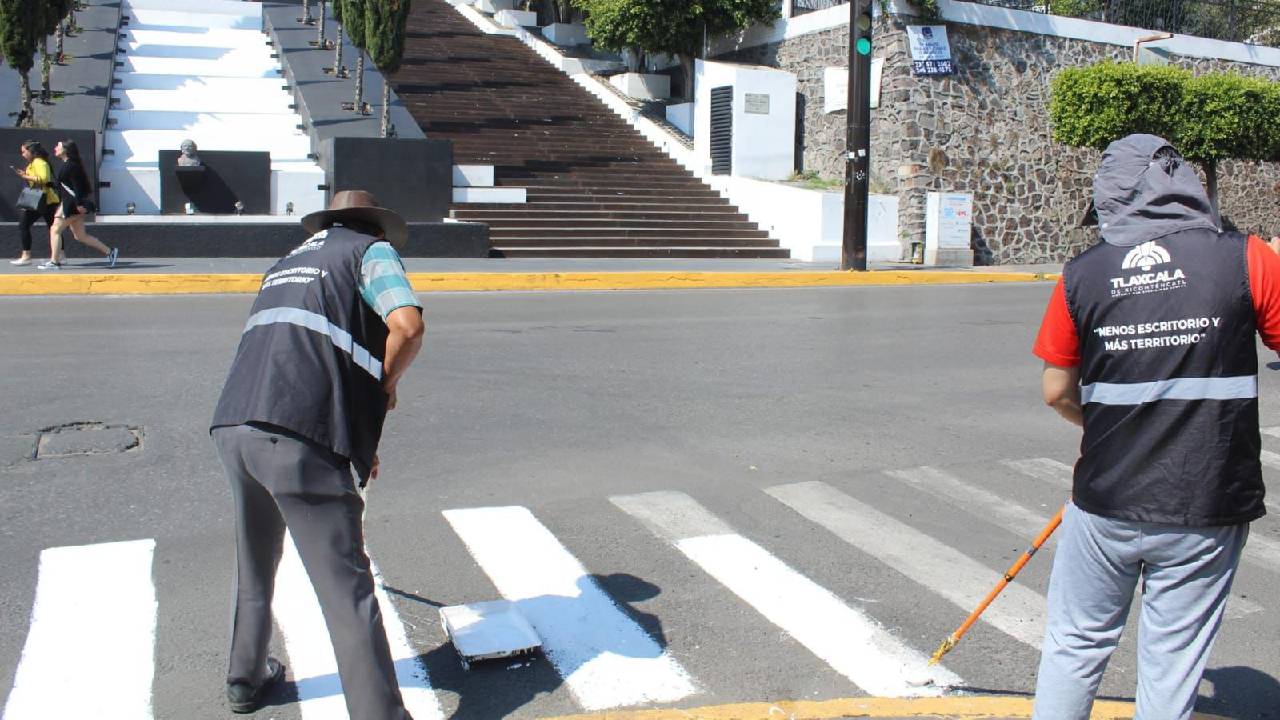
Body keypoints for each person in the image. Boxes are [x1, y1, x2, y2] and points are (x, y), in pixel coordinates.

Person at [1031, 133, 1280, 719]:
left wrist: (1107, 426)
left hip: (1107, 496)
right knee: (1172, 662)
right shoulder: (1247, 257)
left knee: (1075, 644)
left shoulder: (1083, 274)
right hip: (1206, 502)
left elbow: (1055, 391)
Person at [209, 190, 423, 718]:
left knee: (255, 560)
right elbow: (408, 326)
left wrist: (357, 442)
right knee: (346, 589)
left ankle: (246, 678)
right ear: (373, 227)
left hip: (235, 424)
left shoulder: (286, 264)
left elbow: (300, 354)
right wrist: (384, 386)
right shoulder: (368, 253)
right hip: (298, 434)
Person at [40, 139, 117, 270]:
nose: (55, 148)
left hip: (72, 204)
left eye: (58, 146)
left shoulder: (71, 165)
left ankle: (54, 262)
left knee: (55, 229)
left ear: (65, 149)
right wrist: (49, 184)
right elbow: (67, 185)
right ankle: (110, 252)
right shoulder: (69, 164)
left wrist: (79, 204)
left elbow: (77, 187)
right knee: (80, 236)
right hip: (73, 204)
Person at [10, 141, 58, 266]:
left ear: (31, 151)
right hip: (45, 200)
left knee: (24, 225)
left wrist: (25, 177)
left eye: (24, 152)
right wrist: (25, 175)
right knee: (53, 228)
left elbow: (43, 179)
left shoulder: (38, 162)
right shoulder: (36, 163)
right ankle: (61, 255)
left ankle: (26, 255)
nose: (23, 154)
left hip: (41, 200)